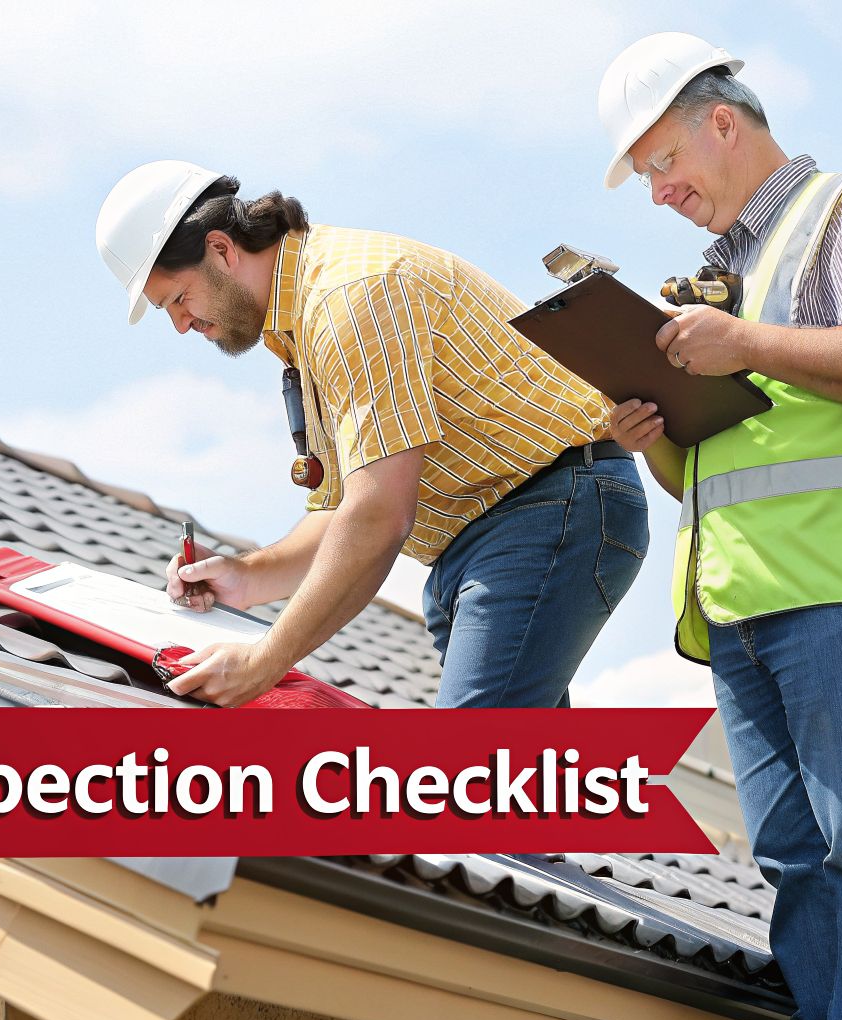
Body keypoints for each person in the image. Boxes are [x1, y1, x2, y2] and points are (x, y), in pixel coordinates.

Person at [595, 33, 842, 1020]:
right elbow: (715, 466)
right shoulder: (720, 277)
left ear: (719, 123)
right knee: (789, 856)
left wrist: (741, 342)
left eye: (660, 163)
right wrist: (650, 432)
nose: (656, 192)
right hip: (742, 600)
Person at [94, 162, 648, 708]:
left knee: (468, 780)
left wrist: (265, 661)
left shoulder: (350, 299)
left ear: (220, 249)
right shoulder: (301, 325)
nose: (181, 325)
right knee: (521, 788)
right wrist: (244, 578)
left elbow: (378, 515)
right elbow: (343, 512)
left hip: (546, 515)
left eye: (178, 299)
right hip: (495, 537)